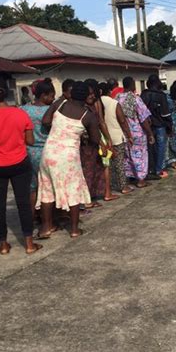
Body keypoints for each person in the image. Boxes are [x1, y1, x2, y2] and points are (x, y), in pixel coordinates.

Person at [0, 78, 42, 255]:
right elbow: (30, 140)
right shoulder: (20, 114)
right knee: (23, 203)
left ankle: (3, 245)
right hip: (19, 163)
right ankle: (29, 243)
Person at [37, 81, 100, 238]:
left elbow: (45, 121)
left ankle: (46, 228)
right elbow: (96, 139)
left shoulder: (60, 104)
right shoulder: (88, 116)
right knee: (73, 189)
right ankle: (74, 229)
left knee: (47, 190)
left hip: (49, 152)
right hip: (68, 156)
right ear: (86, 96)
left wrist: (59, 128)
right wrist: (82, 137)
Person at [21, 78, 56, 217]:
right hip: (47, 151)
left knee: (32, 187)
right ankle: (50, 217)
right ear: (44, 95)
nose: (53, 99)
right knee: (49, 186)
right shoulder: (51, 111)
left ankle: (32, 216)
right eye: (52, 96)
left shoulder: (23, 110)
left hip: (29, 152)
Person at [117, 77, 155, 188]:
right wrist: (150, 133)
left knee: (128, 156)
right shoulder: (135, 99)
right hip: (137, 132)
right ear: (132, 85)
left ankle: (130, 177)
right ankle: (141, 179)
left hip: (123, 132)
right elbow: (143, 118)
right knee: (140, 156)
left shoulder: (117, 98)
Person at [100, 81, 133, 194]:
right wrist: (129, 135)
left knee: (107, 165)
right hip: (116, 136)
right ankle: (123, 186)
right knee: (119, 163)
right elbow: (122, 120)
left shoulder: (97, 103)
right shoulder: (114, 103)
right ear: (109, 91)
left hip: (103, 138)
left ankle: (110, 186)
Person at [141, 74, 172, 178]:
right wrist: (170, 126)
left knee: (150, 148)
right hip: (159, 125)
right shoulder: (161, 95)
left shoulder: (143, 94)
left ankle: (150, 169)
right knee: (160, 148)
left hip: (147, 126)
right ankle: (159, 170)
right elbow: (165, 113)